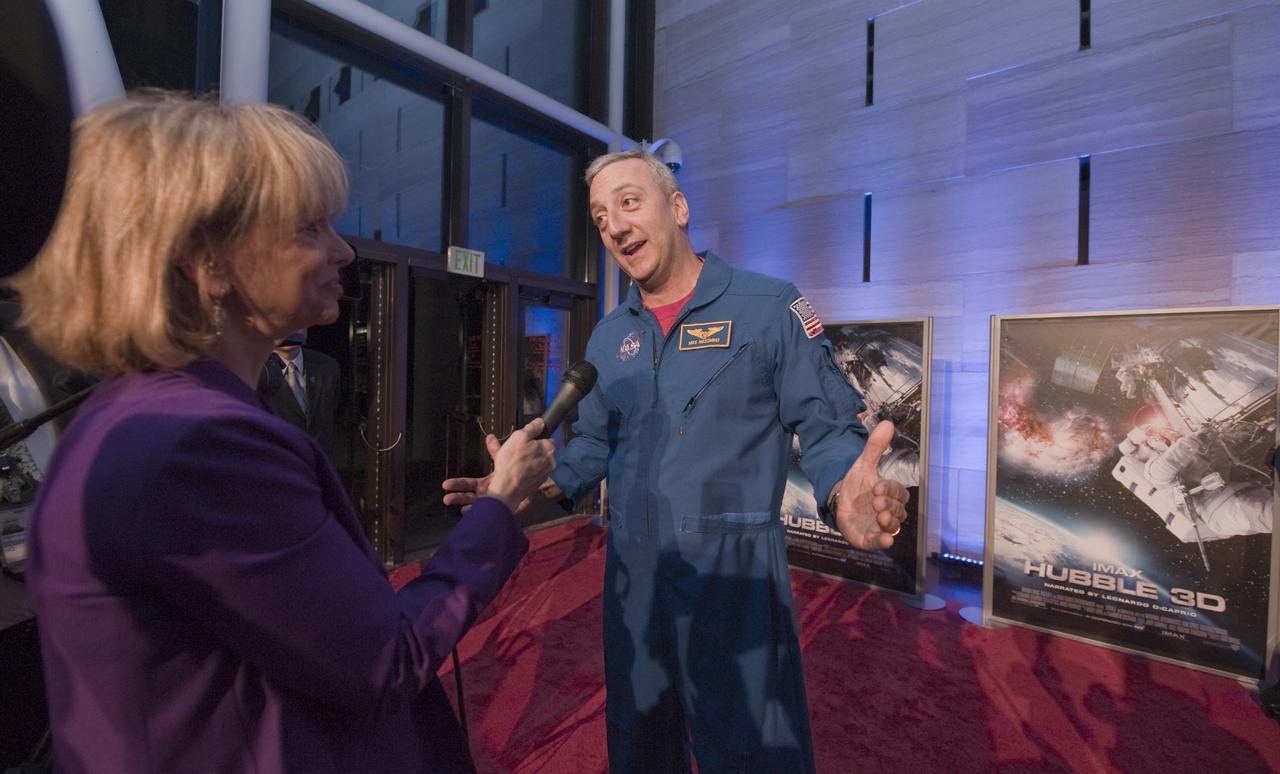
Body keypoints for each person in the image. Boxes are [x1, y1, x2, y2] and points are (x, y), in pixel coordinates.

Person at [9, 92, 555, 774]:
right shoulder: (196, 446)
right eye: (309, 227)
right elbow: (386, 658)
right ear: (202, 258)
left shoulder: (154, 413)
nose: (344, 250)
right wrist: (500, 508)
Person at [445, 149, 910, 773]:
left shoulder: (769, 308)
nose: (613, 224)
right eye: (600, 214)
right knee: (639, 749)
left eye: (629, 203)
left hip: (735, 584)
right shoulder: (612, 336)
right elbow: (592, 444)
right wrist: (531, 484)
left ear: (679, 208)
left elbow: (825, 428)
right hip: (634, 585)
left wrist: (844, 490)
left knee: (751, 752)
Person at [267, 329, 341, 456]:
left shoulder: (328, 366)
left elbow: (335, 412)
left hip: (318, 467)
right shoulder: (253, 370)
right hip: (275, 467)